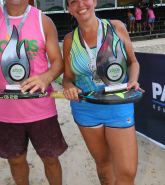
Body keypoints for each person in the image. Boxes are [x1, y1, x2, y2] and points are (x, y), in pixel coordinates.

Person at [0, 0, 68, 184]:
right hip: (7, 112)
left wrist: (46, 77)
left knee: (50, 159)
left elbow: (58, 61)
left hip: (42, 109)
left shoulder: (43, 21)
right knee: (15, 161)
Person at [63, 0, 145, 184]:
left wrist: (133, 80)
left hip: (119, 105)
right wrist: (68, 86)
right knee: (103, 162)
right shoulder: (69, 40)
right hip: (86, 109)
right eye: (73, 2)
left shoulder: (116, 27)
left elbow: (133, 62)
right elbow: (67, 77)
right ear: (69, 9)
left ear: (94, 1)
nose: (80, 4)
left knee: (127, 172)